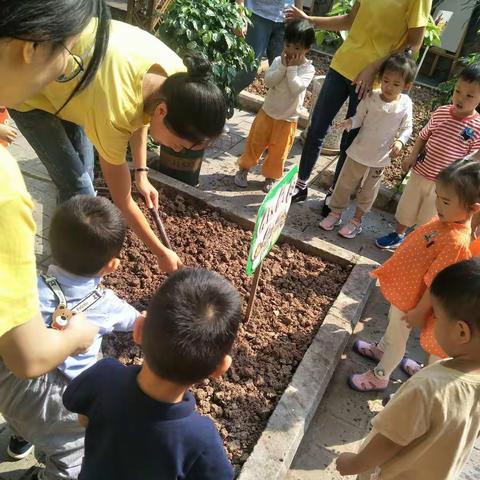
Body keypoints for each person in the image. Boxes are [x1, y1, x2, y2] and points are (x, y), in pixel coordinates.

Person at [11, 19, 227, 274]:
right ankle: (68, 270)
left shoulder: (180, 80)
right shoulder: (115, 111)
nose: (178, 152)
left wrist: (141, 173)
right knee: (78, 187)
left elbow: (142, 114)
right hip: (30, 89)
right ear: (163, 111)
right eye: (179, 145)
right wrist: (161, 252)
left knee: (82, 183)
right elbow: (122, 200)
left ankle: (66, 253)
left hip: (76, 80)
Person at [0, 0, 110, 380]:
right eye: (67, 51)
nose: (66, 65)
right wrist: (77, 335)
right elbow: (28, 357)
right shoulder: (6, 189)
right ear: (32, 46)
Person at [0, 195, 141, 479]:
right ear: (111, 266)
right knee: (74, 454)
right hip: (62, 403)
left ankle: (19, 439)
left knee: (23, 416)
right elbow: (137, 323)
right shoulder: (108, 304)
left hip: (9, 383)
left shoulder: (29, 288)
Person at [63, 268, 241, 480]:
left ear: (138, 330)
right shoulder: (201, 439)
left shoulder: (103, 375)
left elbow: (83, 419)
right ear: (219, 368)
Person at [337, 258, 480, 480]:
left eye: (437, 316)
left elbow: (390, 441)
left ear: (461, 332)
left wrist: (353, 464)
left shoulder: (428, 386)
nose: (430, 321)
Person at [284, 0, 431, 212]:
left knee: (350, 139)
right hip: (342, 64)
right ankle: (301, 183)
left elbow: (413, 43)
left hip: (372, 78)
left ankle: (335, 195)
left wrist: (374, 68)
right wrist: (310, 20)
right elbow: (350, 20)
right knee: (316, 127)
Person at [348, 158, 480, 392]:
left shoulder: (457, 241)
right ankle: (382, 349)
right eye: (438, 195)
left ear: (473, 208)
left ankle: (381, 374)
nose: (438, 204)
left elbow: (437, 282)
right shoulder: (446, 220)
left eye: (446, 201)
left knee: (398, 336)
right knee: (392, 328)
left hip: (412, 302)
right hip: (404, 293)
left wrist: (419, 311)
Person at [376, 63, 480, 250]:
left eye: (469, 95)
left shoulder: (477, 127)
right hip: (421, 171)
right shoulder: (441, 113)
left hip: (446, 184)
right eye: (457, 91)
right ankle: (398, 234)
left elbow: (472, 160)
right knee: (407, 206)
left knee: (429, 216)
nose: (460, 98)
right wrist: (411, 156)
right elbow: (423, 136)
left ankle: (416, 245)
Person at [319, 52, 414, 239]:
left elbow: (407, 127)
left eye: (396, 84)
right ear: (380, 78)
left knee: (368, 193)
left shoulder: (405, 104)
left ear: (406, 86)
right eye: (386, 81)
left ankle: (356, 221)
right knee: (344, 185)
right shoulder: (372, 97)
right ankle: (335, 213)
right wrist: (349, 123)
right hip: (358, 151)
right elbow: (359, 117)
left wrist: (400, 141)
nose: (389, 87)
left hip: (379, 159)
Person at [233, 19, 315, 192]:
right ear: (284, 42)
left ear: (307, 49)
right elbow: (269, 82)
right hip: (267, 113)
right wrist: (283, 68)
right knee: (255, 144)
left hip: (287, 119)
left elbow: (296, 88)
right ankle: (243, 169)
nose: (291, 51)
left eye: (297, 48)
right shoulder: (278, 61)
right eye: (288, 45)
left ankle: (270, 177)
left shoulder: (308, 69)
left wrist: (291, 69)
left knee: (278, 153)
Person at [233, 0, 304, 93]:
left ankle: (276, 107)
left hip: (286, 18)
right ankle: (222, 101)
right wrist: (240, 12)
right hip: (256, 13)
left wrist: (298, 14)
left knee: (285, 72)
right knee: (246, 70)